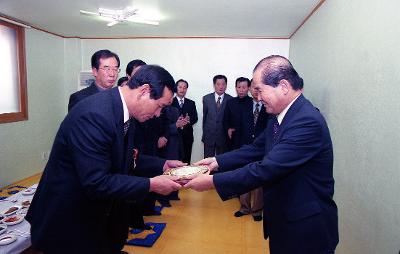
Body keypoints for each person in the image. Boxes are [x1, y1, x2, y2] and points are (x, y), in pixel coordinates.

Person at [186, 55, 339, 254]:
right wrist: (217, 161)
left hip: (305, 229)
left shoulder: (306, 121)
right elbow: (255, 148)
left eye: (259, 90)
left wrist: (213, 182)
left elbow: (266, 169)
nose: (256, 97)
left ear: (283, 86)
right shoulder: (280, 116)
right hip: (284, 221)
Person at [26, 65, 184, 254]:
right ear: (144, 91)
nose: (158, 114)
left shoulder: (124, 111)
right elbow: (96, 181)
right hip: (69, 220)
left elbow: (124, 157)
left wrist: (162, 164)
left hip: (100, 216)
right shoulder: (94, 115)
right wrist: (151, 184)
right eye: (160, 106)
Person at [232, 79, 270, 221]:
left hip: (262, 149)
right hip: (245, 146)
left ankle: (257, 210)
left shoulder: (268, 105)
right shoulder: (244, 104)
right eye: (253, 87)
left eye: (258, 88)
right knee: (244, 177)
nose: (255, 90)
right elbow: (239, 127)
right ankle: (244, 207)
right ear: (249, 89)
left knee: (259, 179)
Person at [202, 75, 232, 158]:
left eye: (223, 84)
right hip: (209, 135)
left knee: (223, 161)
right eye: (218, 84)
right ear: (214, 85)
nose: (221, 87)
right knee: (207, 162)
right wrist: (204, 134)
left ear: (226, 85)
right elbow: (205, 117)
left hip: (223, 137)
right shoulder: (206, 98)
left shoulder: (231, 100)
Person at [171, 79, 198, 163]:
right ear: (176, 88)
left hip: (187, 137)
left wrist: (189, 120)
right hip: (174, 136)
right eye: (180, 87)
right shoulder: (170, 102)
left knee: (186, 160)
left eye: (184, 87)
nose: (182, 89)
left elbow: (195, 118)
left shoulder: (191, 103)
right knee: (174, 161)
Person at [223, 77, 252, 151]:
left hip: (248, 139)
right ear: (236, 88)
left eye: (244, 87)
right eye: (239, 87)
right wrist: (228, 128)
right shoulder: (230, 102)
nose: (241, 90)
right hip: (233, 138)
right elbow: (225, 119)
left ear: (249, 88)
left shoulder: (252, 102)